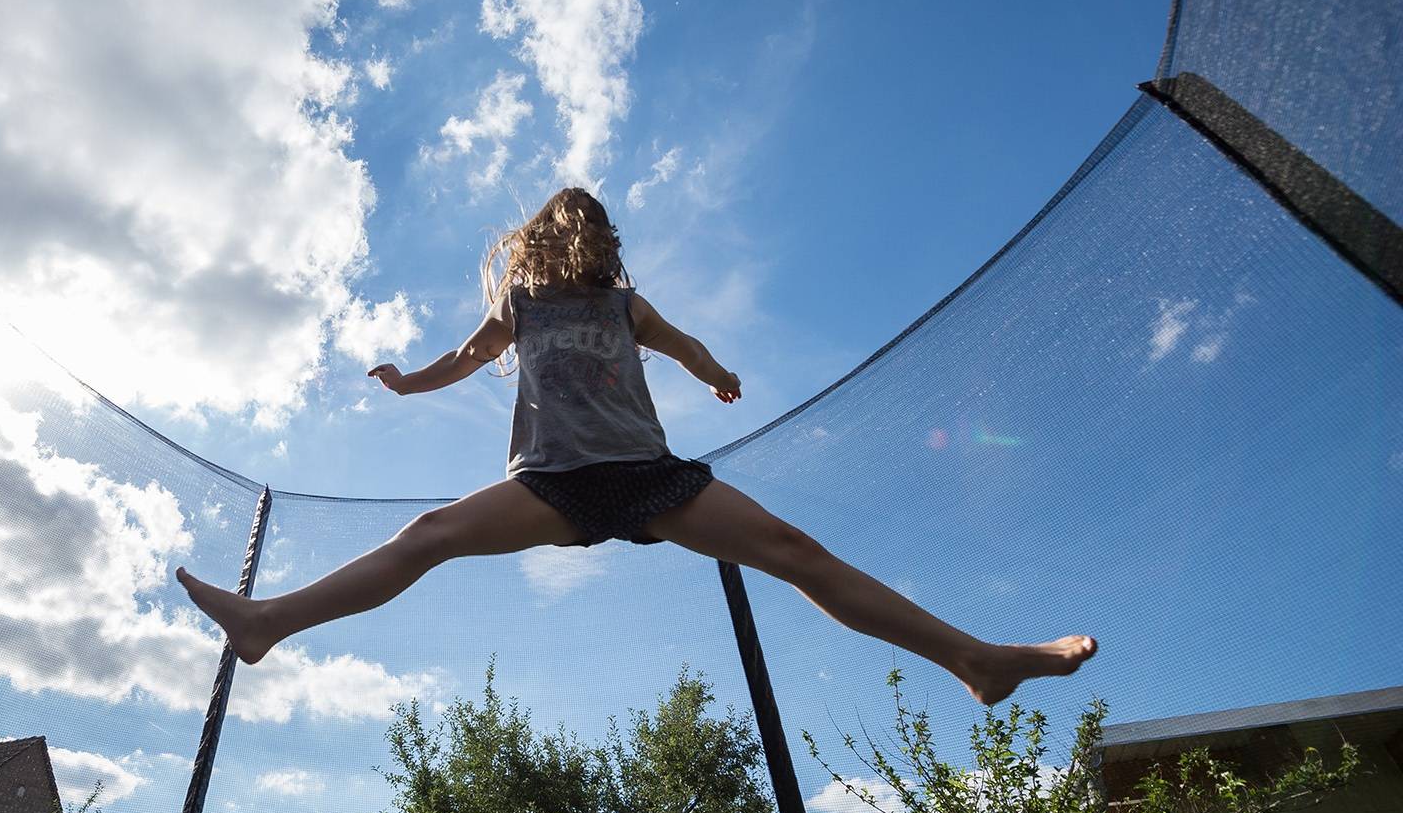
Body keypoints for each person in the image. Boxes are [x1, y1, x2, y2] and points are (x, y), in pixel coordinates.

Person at [178, 187, 1095, 705]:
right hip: (552, 485)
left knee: (797, 553)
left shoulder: (623, 305)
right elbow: (465, 356)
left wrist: (713, 370)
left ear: (603, 249)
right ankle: (269, 622)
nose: (576, 252)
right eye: (562, 238)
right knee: (429, 533)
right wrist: (409, 383)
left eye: (590, 239)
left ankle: (974, 658)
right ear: (538, 248)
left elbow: (682, 340)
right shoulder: (523, 306)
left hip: (652, 480)